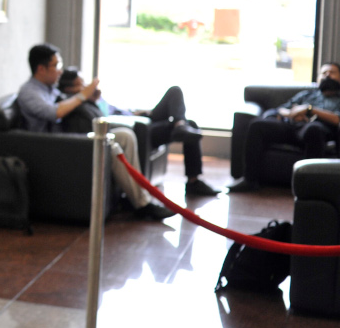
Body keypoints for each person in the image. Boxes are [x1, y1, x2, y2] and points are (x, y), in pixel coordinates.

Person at [17, 43, 174, 221]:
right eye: (56, 66)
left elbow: (65, 100)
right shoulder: (29, 92)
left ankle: (135, 199)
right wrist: (82, 95)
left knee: (125, 135)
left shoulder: (51, 88)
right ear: (41, 68)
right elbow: (55, 113)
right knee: (114, 144)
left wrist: (84, 93)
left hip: (72, 138)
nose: (60, 71)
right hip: (56, 146)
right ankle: (142, 204)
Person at [57, 68, 220, 197]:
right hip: (138, 130)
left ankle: (181, 130)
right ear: (70, 89)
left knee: (182, 109)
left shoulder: (96, 99)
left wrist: (137, 113)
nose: (87, 88)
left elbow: (118, 111)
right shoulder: (81, 105)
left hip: (138, 119)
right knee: (180, 104)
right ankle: (180, 126)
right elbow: (109, 120)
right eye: (81, 85)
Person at [229, 62, 340, 192]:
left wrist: (310, 110)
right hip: (291, 126)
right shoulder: (307, 94)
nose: (327, 76)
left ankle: (307, 186)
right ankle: (249, 180)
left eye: (331, 72)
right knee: (257, 125)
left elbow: (337, 119)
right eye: (323, 73)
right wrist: (293, 114)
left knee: (313, 129)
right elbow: (282, 109)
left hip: (316, 130)